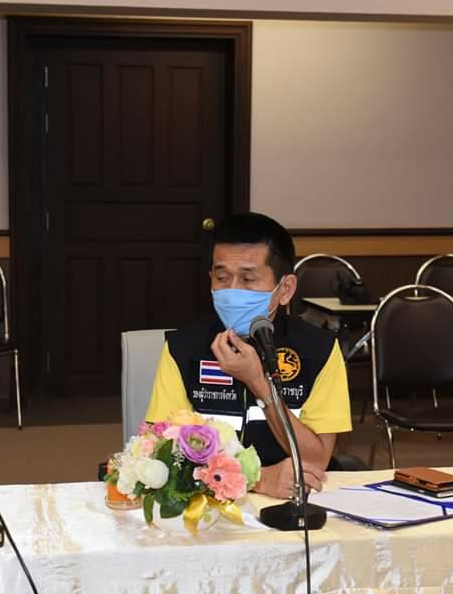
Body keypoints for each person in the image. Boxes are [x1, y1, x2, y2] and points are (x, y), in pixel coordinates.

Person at [144, 213, 352, 499]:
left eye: (248, 279)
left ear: (285, 289)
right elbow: (160, 457)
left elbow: (315, 462)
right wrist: (257, 479)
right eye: (222, 278)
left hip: (290, 501)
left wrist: (259, 384)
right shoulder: (183, 348)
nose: (232, 291)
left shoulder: (319, 350)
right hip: (206, 504)